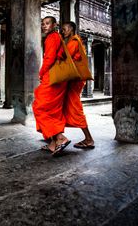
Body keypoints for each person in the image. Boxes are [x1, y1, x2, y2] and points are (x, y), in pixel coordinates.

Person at [32, 16, 71, 156]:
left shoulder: (52, 37)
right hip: (59, 78)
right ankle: (53, 143)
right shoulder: (56, 37)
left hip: (52, 77)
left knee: (39, 106)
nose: (44, 26)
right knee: (52, 109)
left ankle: (60, 138)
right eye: (43, 24)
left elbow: (49, 58)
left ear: (55, 25)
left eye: (47, 23)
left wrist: (41, 73)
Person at [59, 21, 95, 149]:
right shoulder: (71, 42)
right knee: (63, 106)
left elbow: (64, 59)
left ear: (71, 29)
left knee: (75, 107)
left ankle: (89, 139)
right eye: (62, 29)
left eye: (64, 29)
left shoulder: (74, 42)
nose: (62, 31)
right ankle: (55, 136)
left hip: (74, 80)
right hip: (72, 79)